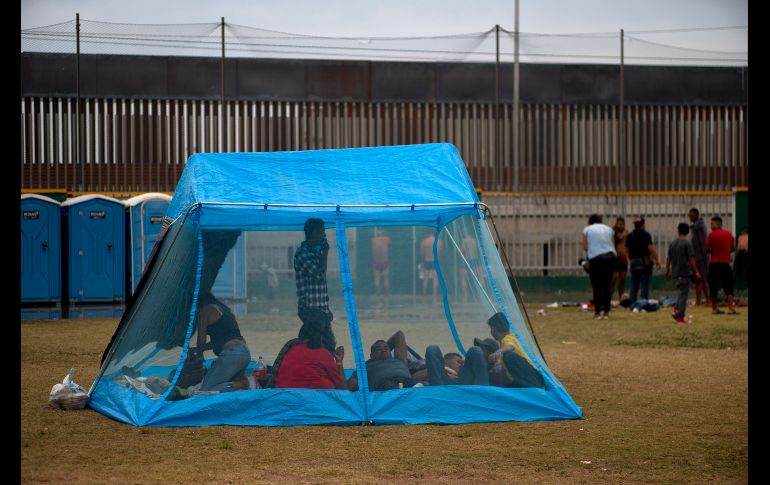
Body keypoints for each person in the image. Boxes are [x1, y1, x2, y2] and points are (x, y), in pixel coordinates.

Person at [274, 309, 350, 390]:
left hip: (285, 396)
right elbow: (342, 388)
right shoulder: (323, 354)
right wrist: (339, 363)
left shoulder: (291, 347)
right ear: (323, 335)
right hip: (315, 399)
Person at [194, 292, 251, 392]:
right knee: (222, 382)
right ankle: (239, 383)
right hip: (244, 353)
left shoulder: (205, 311)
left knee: (206, 391)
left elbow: (201, 343)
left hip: (232, 354)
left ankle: (242, 384)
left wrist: (199, 357)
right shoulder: (225, 309)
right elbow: (223, 339)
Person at [485, 312, 545, 388]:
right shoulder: (511, 336)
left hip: (533, 375)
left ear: (494, 329)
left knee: (508, 356)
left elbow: (510, 346)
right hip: (533, 374)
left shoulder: (507, 339)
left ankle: (534, 387)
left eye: (491, 328)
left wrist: (497, 352)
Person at [294, 218, 332, 323]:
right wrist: (325, 254)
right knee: (315, 339)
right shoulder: (303, 253)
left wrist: (327, 309)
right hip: (310, 310)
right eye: (322, 231)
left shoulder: (315, 253)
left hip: (321, 309)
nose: (324, 235)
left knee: (325, 339)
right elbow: (319, 274)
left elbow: (321, 285)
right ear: (314, 232)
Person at [581, 214, 617, 320]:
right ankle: (606, 312)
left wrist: (594, 250)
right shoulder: (609, 229)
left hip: (596, 259)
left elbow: (585, 246)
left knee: (596, 286)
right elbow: (612, 244)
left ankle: (597, 312)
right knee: (607, 286)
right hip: (610, 257)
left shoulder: (587, 229)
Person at [665, 223, 702, 324]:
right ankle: (680, 316)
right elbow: (691, 259)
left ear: (678, 230)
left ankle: (676, 309)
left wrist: (667, 270)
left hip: (675, 273)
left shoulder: (672, 243)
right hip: (684, 272)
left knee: (682, 292)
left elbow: (669, 258)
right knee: (684, 294)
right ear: (687, 232)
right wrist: (696, 272)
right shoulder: (687, 244)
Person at [705, 216, 738, 315]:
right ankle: (731, 308)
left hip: (714, 264)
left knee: (713, 286)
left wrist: (713, 251)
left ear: (717, 224)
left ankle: (715, 308)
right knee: (729, 286)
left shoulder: (711, 235)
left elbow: (707, 249)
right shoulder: (729, 235)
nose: (710, 226)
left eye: (712, 224)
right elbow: (732, 249)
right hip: (725, 263)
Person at [626, 216, 661, 305]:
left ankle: (632, 304)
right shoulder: (646, 235)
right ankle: (642, 304)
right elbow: (650, 248)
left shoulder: (630, 236)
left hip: (634, 261)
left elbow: (626, 250)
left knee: (634, 284)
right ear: (643, 224)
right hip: (644, 262)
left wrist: (630, 259)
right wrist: (657, 259)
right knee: (644, 284)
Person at [424, 344, 489, 386]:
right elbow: (415, 378)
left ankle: (484, 391)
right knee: (432, 349)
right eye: (458, 361)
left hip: (462, 384)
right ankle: (437, 391)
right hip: (442, 385)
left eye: (462, 362)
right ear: (445, 361)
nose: (461, 364)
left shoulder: (462, 374)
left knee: (475, 350)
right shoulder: (437, 368)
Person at [688, 208, 711, 306]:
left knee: (700, 279)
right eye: (689, 215)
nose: (690, 217)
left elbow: (702, 242)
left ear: (697, 215)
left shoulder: (698, 226)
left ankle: (700, 301)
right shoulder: (697, 226)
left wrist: (704, 256)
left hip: (700, 257)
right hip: (699, 256)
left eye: (692, 215)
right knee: (701, 279)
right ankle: (707, 300)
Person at [460, 229, 483, 302]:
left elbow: (462, 251)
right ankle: (481, 293)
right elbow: (476, 251)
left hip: (466, 259)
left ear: (464, 233)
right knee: (480, 277)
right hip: (474, 259)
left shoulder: (465, 240)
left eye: (462, 233)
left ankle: (465, 294)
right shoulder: (473, 240)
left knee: (463, 277)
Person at [610, 217, 629, 302]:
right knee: (613, 280)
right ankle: (609, 299)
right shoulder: (613, 232)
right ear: (616, 224)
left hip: (623, 258)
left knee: (622, 280)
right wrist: (625, 233)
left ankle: (621, 298)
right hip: (615, 258)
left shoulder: (625, 232)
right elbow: (620, 237)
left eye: (622, 224)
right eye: (619, 224)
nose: (620, 226)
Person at [420, 231, 442, 303]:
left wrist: (422, 262)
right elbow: (439, 253)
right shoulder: (438, 242)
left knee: (425, 279)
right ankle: (434, 296)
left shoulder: (424, 241)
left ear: (428, 234)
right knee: (435, 279)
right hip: (435, 261)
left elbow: (422, 254)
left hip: (426, 261)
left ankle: (424, 295)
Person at [371, 228, 392, 304]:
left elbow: (373, 250)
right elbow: (390, 246)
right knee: (386, 279)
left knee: (377, 279)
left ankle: (377, 295)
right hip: (385, 262)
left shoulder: (373, 240)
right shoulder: (387, 239)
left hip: (376, 262)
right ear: (383, 234)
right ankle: (387, 295)